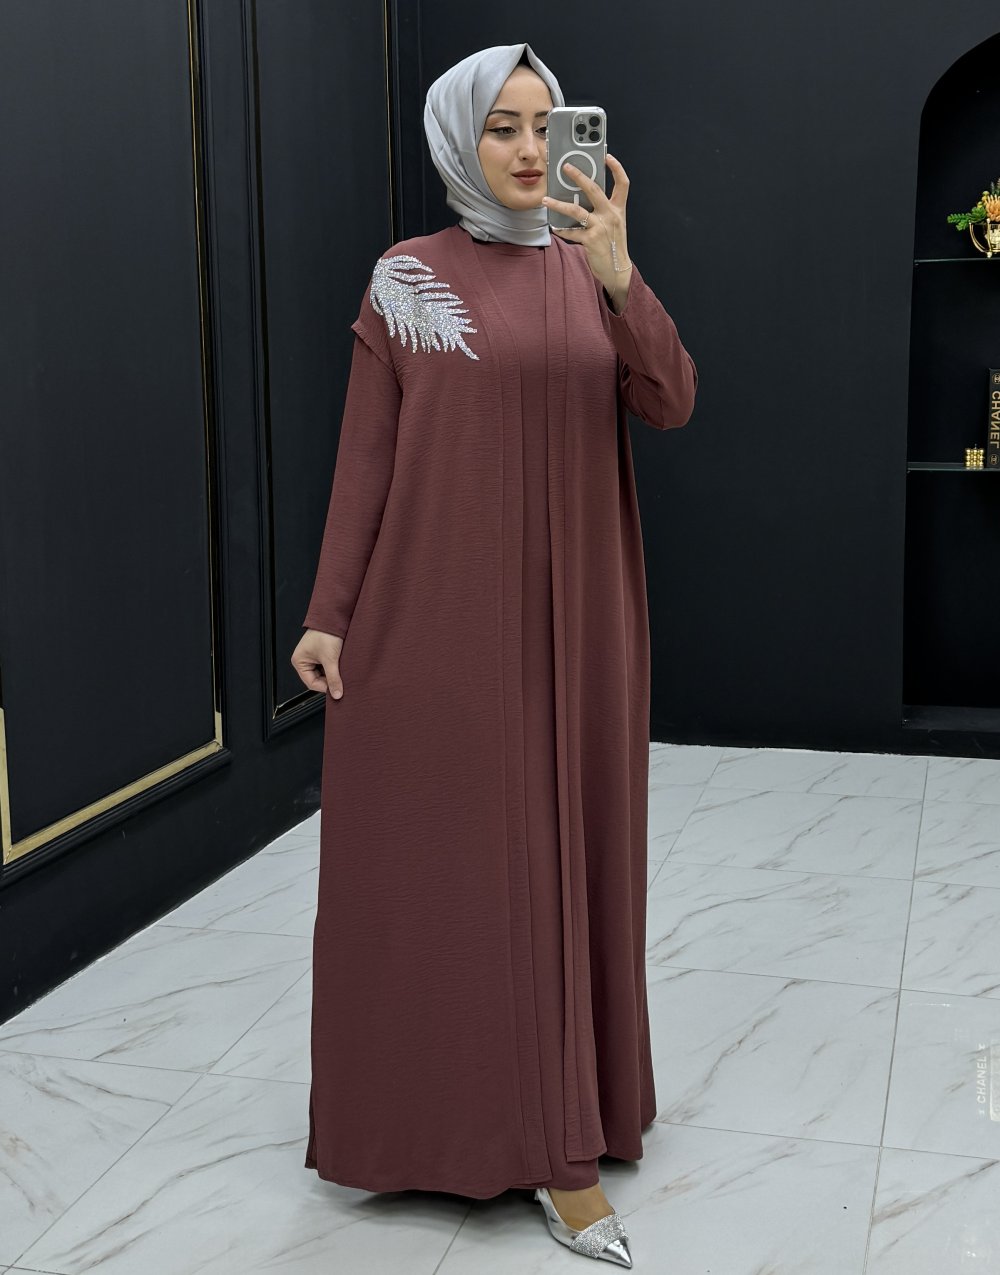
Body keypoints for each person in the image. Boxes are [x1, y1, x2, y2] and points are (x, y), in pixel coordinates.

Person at [290, 42, 697, 1268]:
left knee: (566, 857)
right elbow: (367, 456)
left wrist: (622, 277)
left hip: (582, 628)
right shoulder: (408, 278)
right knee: (464, 878)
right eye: (500, 127)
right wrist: (328, 613)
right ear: (457, 140)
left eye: (543, 124)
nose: (526, 151)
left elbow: (670, 399)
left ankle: (565, 1127)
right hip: (442, 625)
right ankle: (471, 1132)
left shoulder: (590, 269)